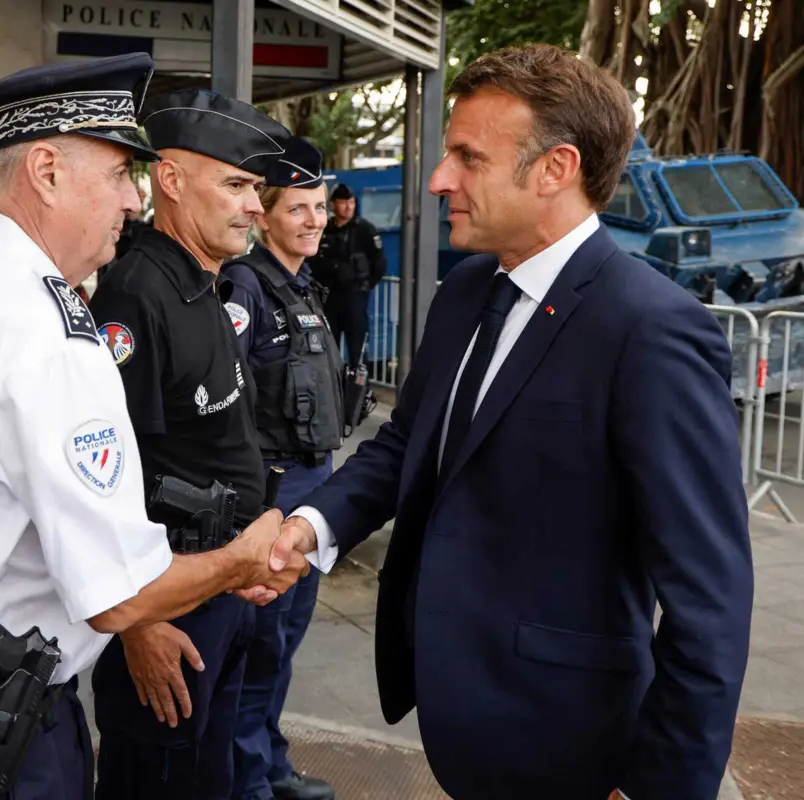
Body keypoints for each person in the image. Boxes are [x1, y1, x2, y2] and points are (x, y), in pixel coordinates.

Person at [271, 44, 754, 800]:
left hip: (577, 749)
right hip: (467, 728)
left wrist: (660, 786)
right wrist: (309, 527)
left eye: (468, 158)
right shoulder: (467, 290)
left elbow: (710, 603)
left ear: (555, 169)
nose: (438, 181)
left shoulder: (652, 330)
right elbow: (408, 445)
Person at [0, 55, 307, 800]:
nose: (133, 198)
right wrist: (244, 559)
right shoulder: (46, 336)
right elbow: (119, 598)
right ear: (47, 171)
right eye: (123, 172)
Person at [86, 87, 294, 800]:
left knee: (212, 776)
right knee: (157, 779)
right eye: (237, 185)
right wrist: (136, 626)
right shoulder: (134, 296)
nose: (255, 207)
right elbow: (109, 481)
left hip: (224, 587)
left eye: (256, 189)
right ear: (170, 181)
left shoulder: (210, 282)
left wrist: (245, 564)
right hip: (166, 611)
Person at [220, 137, 341, 800]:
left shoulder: (302, 286)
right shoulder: (246, 286)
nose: (316, 219)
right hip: (274, 492)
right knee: (260, 646)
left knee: (285, 643)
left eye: (320, 207)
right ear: (265, 217)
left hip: (310, 487)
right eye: (299, 208)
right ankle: (248, 781)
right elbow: (230, 401)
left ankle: (270, 762)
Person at [309, 183, 385, 373]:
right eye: (344, 202)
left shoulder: (365, 230)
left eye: (351, 202)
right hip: (330, 299)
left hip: (354, 298)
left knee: (358, 352)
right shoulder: (325, 230)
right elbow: (313, 263)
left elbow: (379, 263)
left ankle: (359, 397)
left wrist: (364, 287)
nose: (349, 207)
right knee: (328, 350)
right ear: (333, 204)